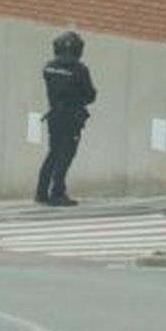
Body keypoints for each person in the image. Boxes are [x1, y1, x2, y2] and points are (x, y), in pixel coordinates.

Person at [35, 31, 96, 207]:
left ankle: (41, 192)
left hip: (54, 116)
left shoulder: (49, 67)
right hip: (72, 118)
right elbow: (90, 95)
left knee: (53, 153)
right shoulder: (80, 70)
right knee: (66, 155)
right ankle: (57, 193)